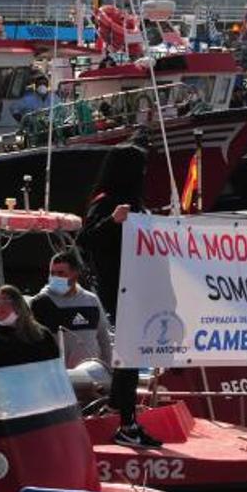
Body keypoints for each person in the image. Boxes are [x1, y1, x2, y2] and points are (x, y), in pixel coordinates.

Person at [75, 146, 163, 448]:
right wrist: (113, 221)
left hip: (138, 285)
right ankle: (127, 423)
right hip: (118, 287)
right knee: (130, 355)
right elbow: (84, 239)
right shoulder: (106, 202)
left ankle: (117, 407)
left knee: (132, 354)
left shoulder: (137, 203)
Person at [30, 251, 114, 369]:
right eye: (52, 273)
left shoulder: (91, 300)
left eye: (61, 273)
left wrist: (108, 369)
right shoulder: (40, 303)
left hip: (91, 375)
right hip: (59, 376)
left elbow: (103, 339)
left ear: (75, 274)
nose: (55, 278)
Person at [0, 285, 62, 371]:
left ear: (19, 306)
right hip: (6, 389)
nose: (0, 307)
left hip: (39, 388)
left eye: (6, 301)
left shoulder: (42, 335)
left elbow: (55, 366)